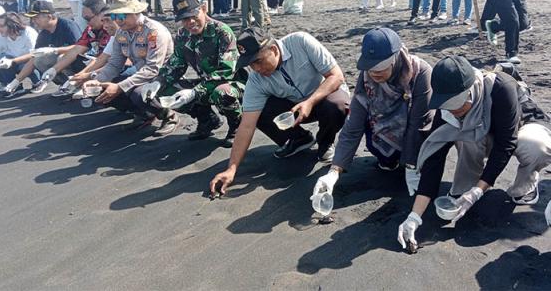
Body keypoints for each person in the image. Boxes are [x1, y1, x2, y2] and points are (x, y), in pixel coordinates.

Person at [398, 56, 551, 250]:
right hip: (484, 132)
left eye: (458, 104)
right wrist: (414, 217)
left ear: (470, 92)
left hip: (523, 125)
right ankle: (465, 187)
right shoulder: (448, 111)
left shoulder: (501, 88)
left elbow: (506, 144)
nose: (453, 111)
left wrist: (479, 191)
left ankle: (525, 186)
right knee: (464, 135)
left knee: (534, 147)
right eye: (447, 106)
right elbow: (434, 160)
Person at [209, 27, 350, 196]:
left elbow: (336, 76)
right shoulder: (256, 79)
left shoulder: (301, 42)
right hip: (293, 108)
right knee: (256, 111)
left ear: (274, 50)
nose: (256, 69)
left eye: (259, 61)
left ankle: (325, 142)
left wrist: (310, 102)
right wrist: (231, 169)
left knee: (337, 106)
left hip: (324, 96)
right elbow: (246, 125)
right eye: (251, 64)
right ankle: (298, 139)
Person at [313, 28, 433, 198]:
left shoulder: (420, 72)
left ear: (395, 58)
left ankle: (411, 162)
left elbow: (418, 123)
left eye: (380, 67)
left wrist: (411, 165)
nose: (374, 73)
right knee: (385, 159)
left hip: (413, 128)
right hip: (385, 130)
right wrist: (334, 171)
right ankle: (391, 159)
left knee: (423, 141)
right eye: (370, 67)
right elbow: (353, 124)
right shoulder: (366, 77)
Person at [141, 0, 245, 146]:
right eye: (184, 19)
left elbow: (226, 72)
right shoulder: (183, 35)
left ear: (203, 9)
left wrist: (194, 92)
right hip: (204, 83)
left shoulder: (222, 31)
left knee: (223, 93)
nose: (190, 22)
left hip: (231, 83)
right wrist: (158, 82)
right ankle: (207, 120)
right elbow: (176, 64)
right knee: (164, 90)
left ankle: (237, 126)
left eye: (193, 15)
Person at [88, 0, 176, 135]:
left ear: (136, 12)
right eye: (114, 16)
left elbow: (153, 69)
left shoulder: (154, 31)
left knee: (138, 93)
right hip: (141, 74)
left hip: (164, 77)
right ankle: (143, 115)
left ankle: (169, 115)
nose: (118, 20)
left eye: (122, 15)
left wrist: (120, 87)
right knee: (101, 89)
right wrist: (97, 82)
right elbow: (114, 64)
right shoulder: (121, 33)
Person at [36, 0, 111, 97]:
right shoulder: (90, 30)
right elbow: (77, 49)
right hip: (97, 63)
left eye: (88, 19)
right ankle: (73, 85)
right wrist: (54, 70)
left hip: (110, 65)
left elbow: (105, 59)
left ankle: (85, 85)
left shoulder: (112, 30)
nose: (87, 22)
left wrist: (81, 76)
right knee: (63, 58)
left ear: (101, 15)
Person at [2, 2, 80, 96]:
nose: (33, 21)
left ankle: (78, 84)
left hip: (83, 63)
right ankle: (65, 85)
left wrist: (55, 50)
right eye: (32, 18)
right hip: (64, 64)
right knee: (39, 60)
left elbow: (80, 47)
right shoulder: (44, 33)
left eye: (36, 17)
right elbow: (33, 57)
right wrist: (16, 81)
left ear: (49, 16)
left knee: (62, 57)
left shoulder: (68, 26)